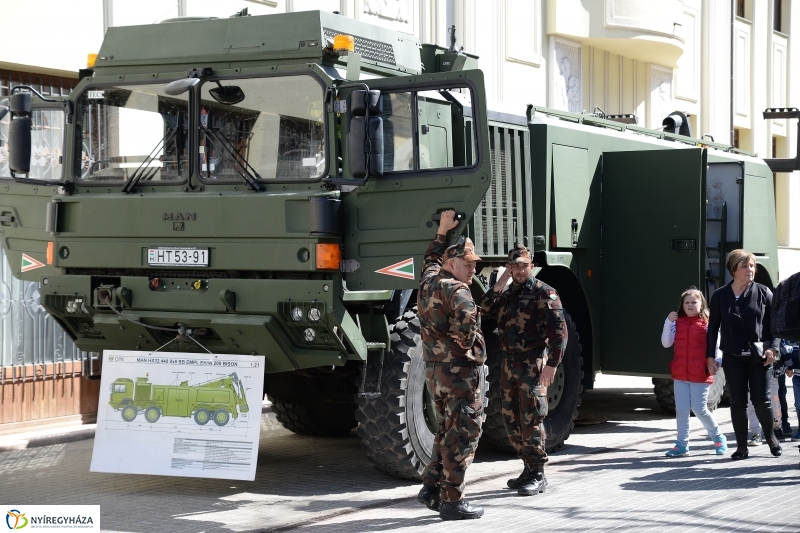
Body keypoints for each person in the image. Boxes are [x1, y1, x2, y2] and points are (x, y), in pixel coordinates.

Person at [478, 243, 567, 496]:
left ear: (532, 266)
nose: (519, 270)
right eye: (514, 266)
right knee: (511, 419)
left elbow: (559, 333)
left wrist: (552, 365)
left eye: (524, 266)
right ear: (509, 268)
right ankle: (527, 468)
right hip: (509, 364)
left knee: (532, 418)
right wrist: (498, 285)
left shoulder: (544, 293)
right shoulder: (506, 294)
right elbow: (481, 311)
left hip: (533, 364)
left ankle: (538, 473)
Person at [415, 209, 486, 521]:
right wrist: (470, 342)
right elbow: (468, 325)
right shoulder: (458, 290)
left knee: (446, 429)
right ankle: (453, 502)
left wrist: (442, 231)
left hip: (436, 372)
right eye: (467, 264)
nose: (473, 269)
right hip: (459, 374)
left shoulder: (429, 280)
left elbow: (430, 258)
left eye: (474, 264)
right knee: (463, 434)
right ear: (452, 263)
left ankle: (431, 486)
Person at [707, 249, 781, 460]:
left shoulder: (764, 292)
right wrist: (710, 355)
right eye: (745, 266)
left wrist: (773, 349)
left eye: (752, 266)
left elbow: (776, 325)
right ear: (733, 270)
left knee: (761, 401)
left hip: (760, 357)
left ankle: (771, 438)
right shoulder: (720, 295)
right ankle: (741, 447)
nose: (750, 270)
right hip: (732, 357)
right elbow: (713, 328)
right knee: (737, 402)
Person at [660, 288, 727, 457]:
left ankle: (718, 437)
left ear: (701, 304)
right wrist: (667, 322)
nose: (690, 305)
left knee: (699, 409)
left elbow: (718, 347)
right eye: (687, 302)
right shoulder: (676, 323)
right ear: (682, 305)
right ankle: (682, 445)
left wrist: (717, 363)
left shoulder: (708, 323)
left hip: (700, 373)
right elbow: (666, 343)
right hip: (680, 373)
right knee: (681, 410)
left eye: (694, 302)